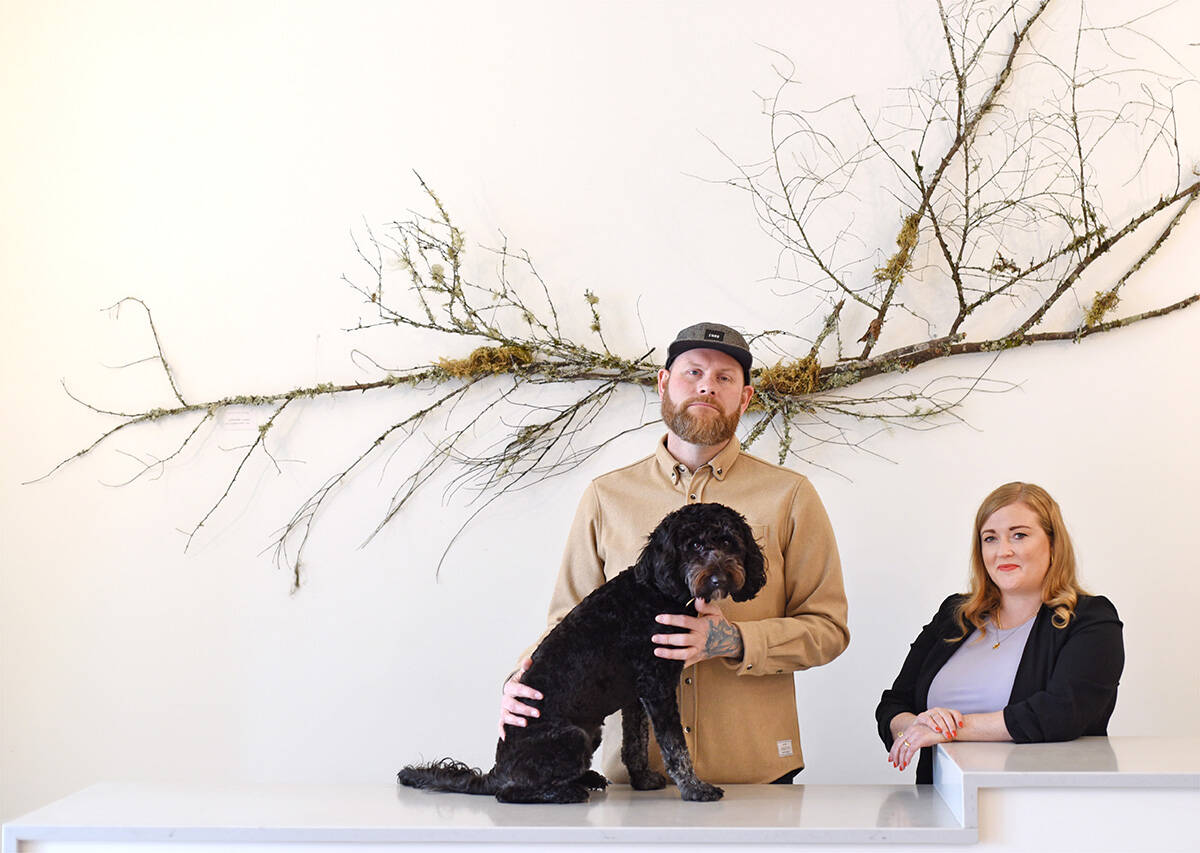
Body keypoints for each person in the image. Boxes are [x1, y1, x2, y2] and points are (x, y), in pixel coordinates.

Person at [499, 321, 850, 785]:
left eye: (725, 377)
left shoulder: (791, 496)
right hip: (634, 781)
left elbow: (828, 629)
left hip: (755, 770)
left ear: (744, 398)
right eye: (693, 372)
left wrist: (734, 642)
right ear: (664, 384)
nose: (707, 385)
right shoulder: (607, 496)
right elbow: (569, 622)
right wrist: (523, 681)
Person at [875, 482, 1124, 784]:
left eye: (1019, 535)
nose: (1003, 551)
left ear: (1053, 543)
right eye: (990, 538)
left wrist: (950, 728)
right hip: (942, 805)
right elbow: (894, 704)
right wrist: (915, 728)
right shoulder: (955, 615)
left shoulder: (1090, 619)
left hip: (1048, 805)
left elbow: (1061, 713)